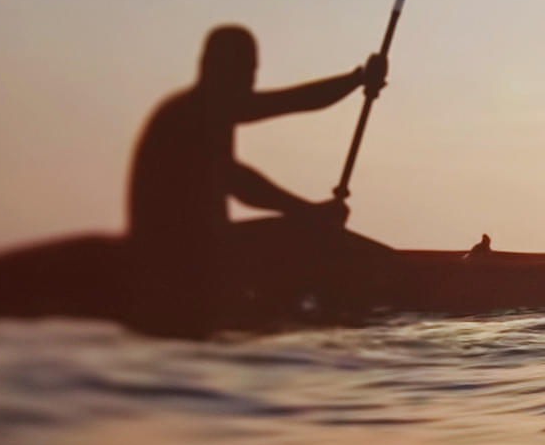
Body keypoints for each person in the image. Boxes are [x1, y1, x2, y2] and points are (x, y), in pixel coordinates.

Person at [124, 25, 385, 322]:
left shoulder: (208, 107)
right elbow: (236, 180)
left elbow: (292, 101)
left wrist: (358, 79)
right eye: (241, 70)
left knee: (309, 232)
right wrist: (308, 214)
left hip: (201, 249)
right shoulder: (190, 114)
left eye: (251, 70)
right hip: (182, 258)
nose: (250, 80)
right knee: (308, 236)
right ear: (210, 67)